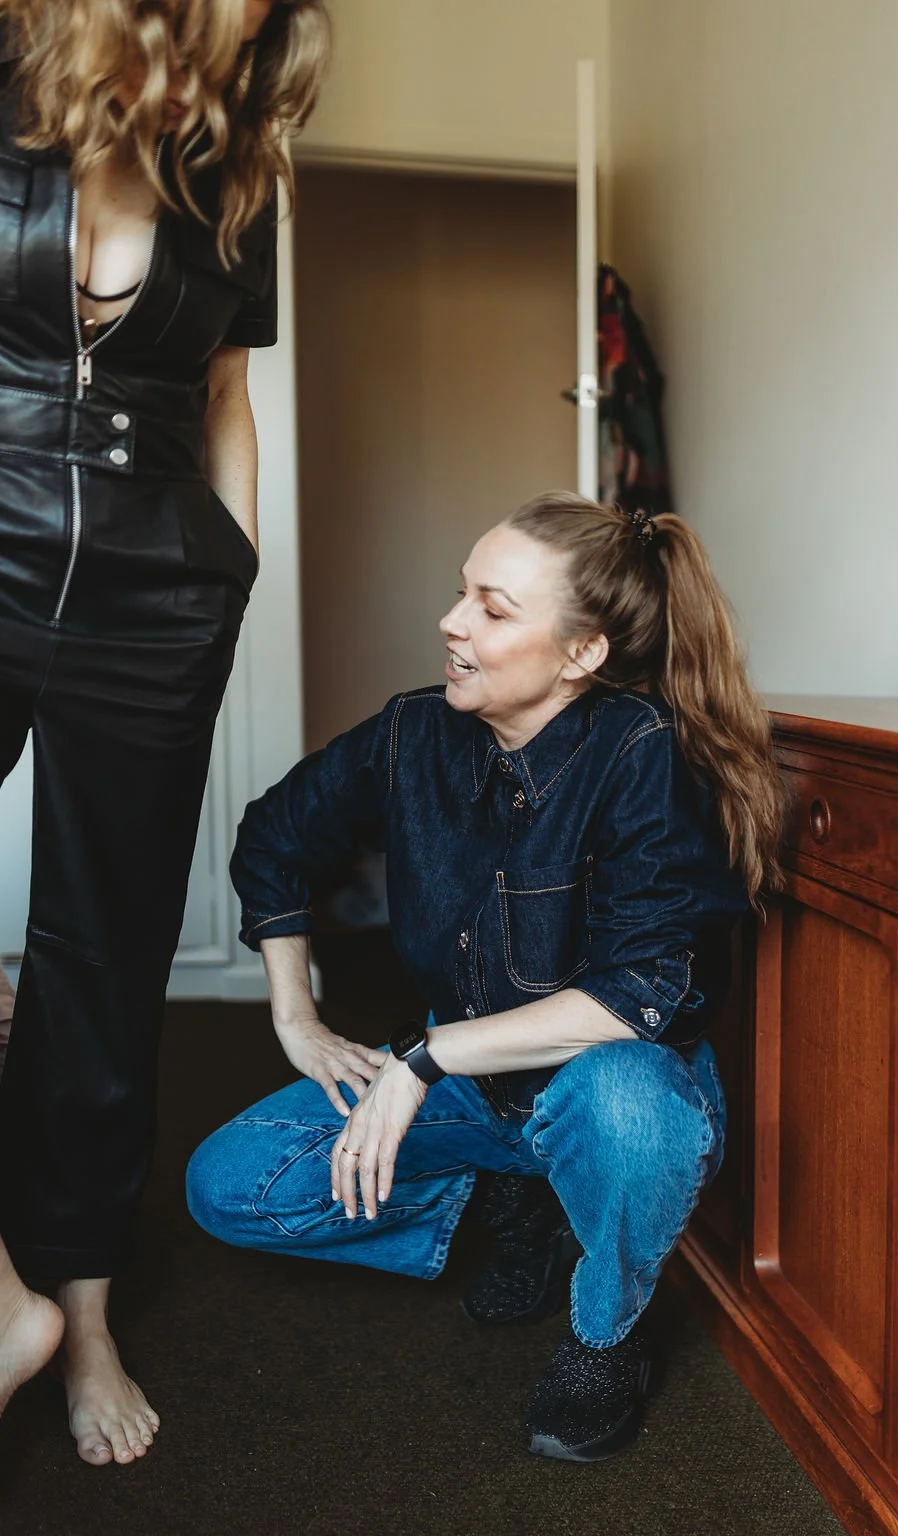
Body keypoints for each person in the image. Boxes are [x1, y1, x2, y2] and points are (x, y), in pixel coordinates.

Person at [188, 492, 785, 1462]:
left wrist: (421, 1060)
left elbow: (636, 996)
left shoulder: (643, 755)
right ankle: (514, 1196)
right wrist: (297, 1017)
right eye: (461, 593)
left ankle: (607, 1332)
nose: (451, 622)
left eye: (492, 608)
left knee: (633, 1113)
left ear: (582, 652)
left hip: (608, 1087)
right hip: (473, 1091)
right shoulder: (413, 733)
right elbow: (273, 840)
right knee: (228, 1187)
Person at [0, 0, 327, 1463]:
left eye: (246, 40)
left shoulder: (237, 173)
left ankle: (81, 1315)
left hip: (157, 592)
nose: (213, 67)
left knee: (103, 959)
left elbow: (226, 397)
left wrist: (227, 588)